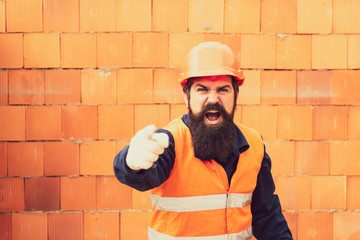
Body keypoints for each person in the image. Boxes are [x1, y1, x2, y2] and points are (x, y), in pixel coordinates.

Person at [114, 42, 293, 240]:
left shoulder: (254, 145)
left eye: (223, 90)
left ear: (236, 95)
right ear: (186, 97)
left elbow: (266, 215)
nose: (213, 99)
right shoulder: (170, 143)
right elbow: (142, 176)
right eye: (203, 90)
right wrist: (129, 163)